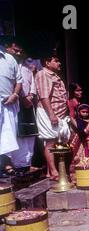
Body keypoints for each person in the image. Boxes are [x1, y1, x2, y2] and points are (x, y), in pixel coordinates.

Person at [35, 53, 70, 180]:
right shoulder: (43, 74)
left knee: (58, 141)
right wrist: (51, 115)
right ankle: (54, 172)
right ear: (47, 63)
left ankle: (51, 172)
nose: (59, 63)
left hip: (58, 114)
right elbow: (44, 96)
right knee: (50, 141)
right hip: (48, 112)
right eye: (56, 61)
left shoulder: (55, 76)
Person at [5, 41, 38, 175]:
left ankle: (27, 163)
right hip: (16, 103)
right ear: (7, 48)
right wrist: (22, 98)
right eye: (15, 50)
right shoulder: (7, 65)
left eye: (20, 51)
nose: (18, 53)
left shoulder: (27, 67)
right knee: (18, 135)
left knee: (30, 135)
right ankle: (17, 165)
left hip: (29, 105)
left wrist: (31, 95)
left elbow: (33, 83)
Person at [0, 43, 23, 178]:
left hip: (8, 104)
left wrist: (15, 95)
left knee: (8, 137)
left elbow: (18, 81)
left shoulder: (9, 59)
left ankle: (7, 166)